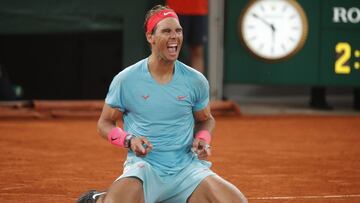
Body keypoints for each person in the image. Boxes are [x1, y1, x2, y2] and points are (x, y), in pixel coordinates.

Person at [77, 5, 247, 203]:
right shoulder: (126, 80)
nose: (175, 36)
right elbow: (104, 124)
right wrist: (129, 139)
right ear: (151, 37)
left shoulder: (196, 81)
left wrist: (202, 138)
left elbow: (206, 120)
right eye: (166, 31)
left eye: (178, 30)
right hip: (144, 169)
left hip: (187, 171)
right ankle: (101, 199)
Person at [165, 0, 208, 73]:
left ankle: (196, 84)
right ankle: (168, 83)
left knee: (197, 51)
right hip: (176, 8)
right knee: (171, 50)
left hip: (198, 9)